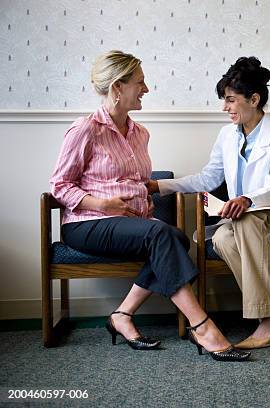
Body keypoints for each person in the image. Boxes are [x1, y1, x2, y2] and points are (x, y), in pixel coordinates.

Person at [49, 50, 250, 362]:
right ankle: (203, 326)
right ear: (118, 87)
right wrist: (103, 204)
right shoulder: (86, 129)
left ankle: (122, 315)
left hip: (130, 225)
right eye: (140, 82)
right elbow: (59, 185)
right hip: (86, 223)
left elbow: (140, 187)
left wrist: (146, 216)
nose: (147, 88)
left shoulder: (140, 133)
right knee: (162, 236)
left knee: (177, 237)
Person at [147, 56, 270, 349]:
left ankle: (268, 320)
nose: (225, 107)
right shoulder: (227, 135)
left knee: (247, 220)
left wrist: (247, 199)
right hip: (239, 219)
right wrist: (159, 185)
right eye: (224, 100)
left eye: (230, 100)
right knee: (224, 239)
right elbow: (207, 178)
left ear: (254, 99)